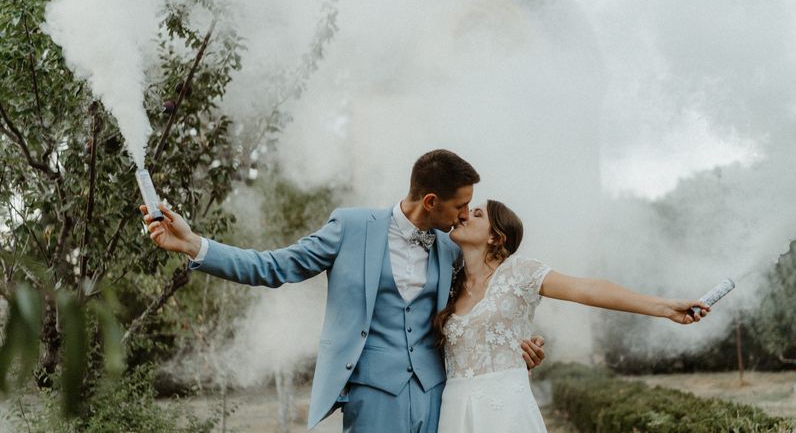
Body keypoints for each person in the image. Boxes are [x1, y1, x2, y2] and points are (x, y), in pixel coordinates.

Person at [141, 149, 546, 432]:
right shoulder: (350, 228)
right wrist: (195, 244)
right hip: (372, 395)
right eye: (460, 206)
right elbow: (274, 266)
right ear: (430, 200)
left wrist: (510, 345)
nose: (464, 215)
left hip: (437, 394)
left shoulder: (450, 247)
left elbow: (483, 297)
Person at [433, 199, 710, 433]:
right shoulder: (447, 281)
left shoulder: (520, 273)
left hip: (505, 409)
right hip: (455, 410)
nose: (465, 215)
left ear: (496, 237)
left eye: (477, 213)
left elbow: (587, 289)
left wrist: (664, 307)